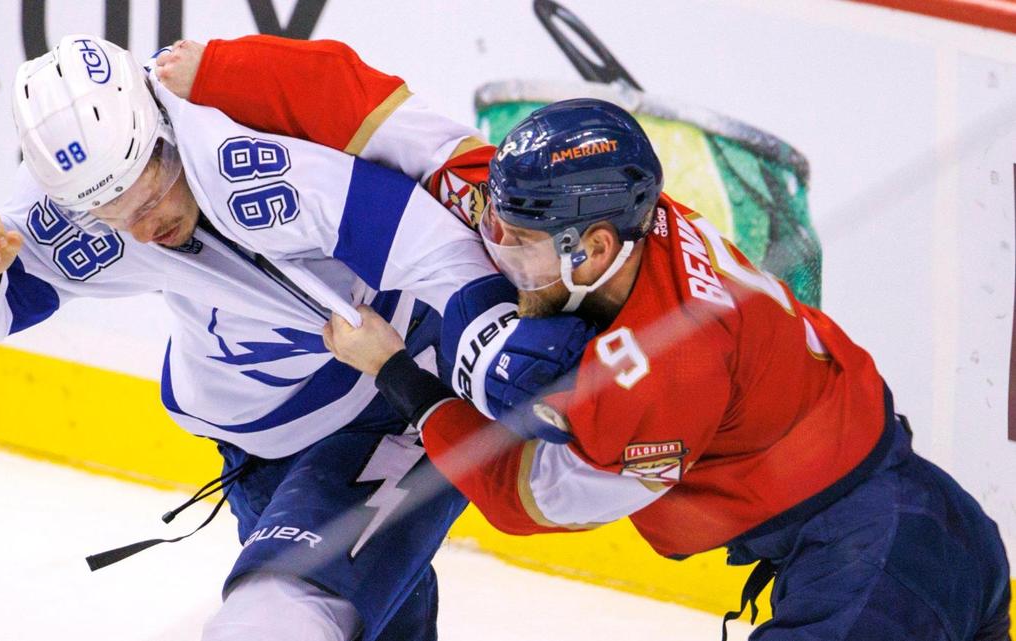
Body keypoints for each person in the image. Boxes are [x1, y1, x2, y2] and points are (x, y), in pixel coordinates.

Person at [321, 99, 1013, 640]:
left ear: (590, 245)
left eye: (520, 237)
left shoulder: (662, 376)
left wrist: (397, 372)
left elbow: (518, 493)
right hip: (910, 523)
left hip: (878, 557)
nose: (501, 245)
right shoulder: (640, 232)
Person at [0, 34, 498, 641]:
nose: (146, 228)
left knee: (281, 611)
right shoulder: (89, 201)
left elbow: (439, 245)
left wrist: (504, 355)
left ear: (162, 127)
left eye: (151, 190)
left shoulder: (264, 162)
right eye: (113, 214)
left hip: (394, 397)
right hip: (255, 445)